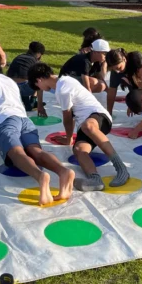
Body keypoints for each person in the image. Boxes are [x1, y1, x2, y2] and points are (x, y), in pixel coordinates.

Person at [0, 57, 75, 206]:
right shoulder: (9, 81)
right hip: (24, 120)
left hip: (4, 121)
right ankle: (62, 171)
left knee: (17, 154)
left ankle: (40, 176)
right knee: (36, 151)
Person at [28, 63, 130, 191]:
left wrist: (69, 138)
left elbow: (68, 118)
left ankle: (121, 168)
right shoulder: (63, 82)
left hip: (99, 117)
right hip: (85, 123)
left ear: (39, 80)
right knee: (79, 150)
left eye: (38, 86)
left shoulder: (63, 88)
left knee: (88, 126)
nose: (40, 88)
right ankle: (95, 179)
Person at [105, 49, 142, 113]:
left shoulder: (137, 58)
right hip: (136, 91)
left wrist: (134, 101)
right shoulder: (116, 71)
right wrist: (109, 112)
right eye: (113, 69)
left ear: (124, 59)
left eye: (119, 68)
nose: (117, 71)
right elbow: (111, 93)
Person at [7, 41, 46, 113]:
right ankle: (33, 101)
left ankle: (27, 103)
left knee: (25, 80)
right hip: (24, 88)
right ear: (39, 54)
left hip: (10, 88)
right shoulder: (35, 62)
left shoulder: (19, 57)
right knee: (39, 80)